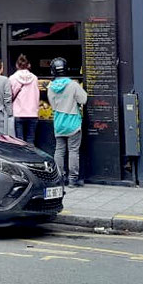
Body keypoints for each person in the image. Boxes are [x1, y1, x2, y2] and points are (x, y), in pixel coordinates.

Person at [47, 57, 87, 188]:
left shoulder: (51, 87)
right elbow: (83, 99)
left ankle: (59, 177)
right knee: (73, 151)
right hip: (73, 122)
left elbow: (52, 105)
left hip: (59, 122)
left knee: (59, 150)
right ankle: (73, 180)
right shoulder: (73, 85)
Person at [9, 54, 40, 144]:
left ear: (17, 65)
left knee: (19, 140)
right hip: (32, 113)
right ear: (28, 65)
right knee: (31, 140)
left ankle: (22, 157)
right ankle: (31, 157)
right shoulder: (34, 78)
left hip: (18, 112)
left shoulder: (12, 78)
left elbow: (10, 95)